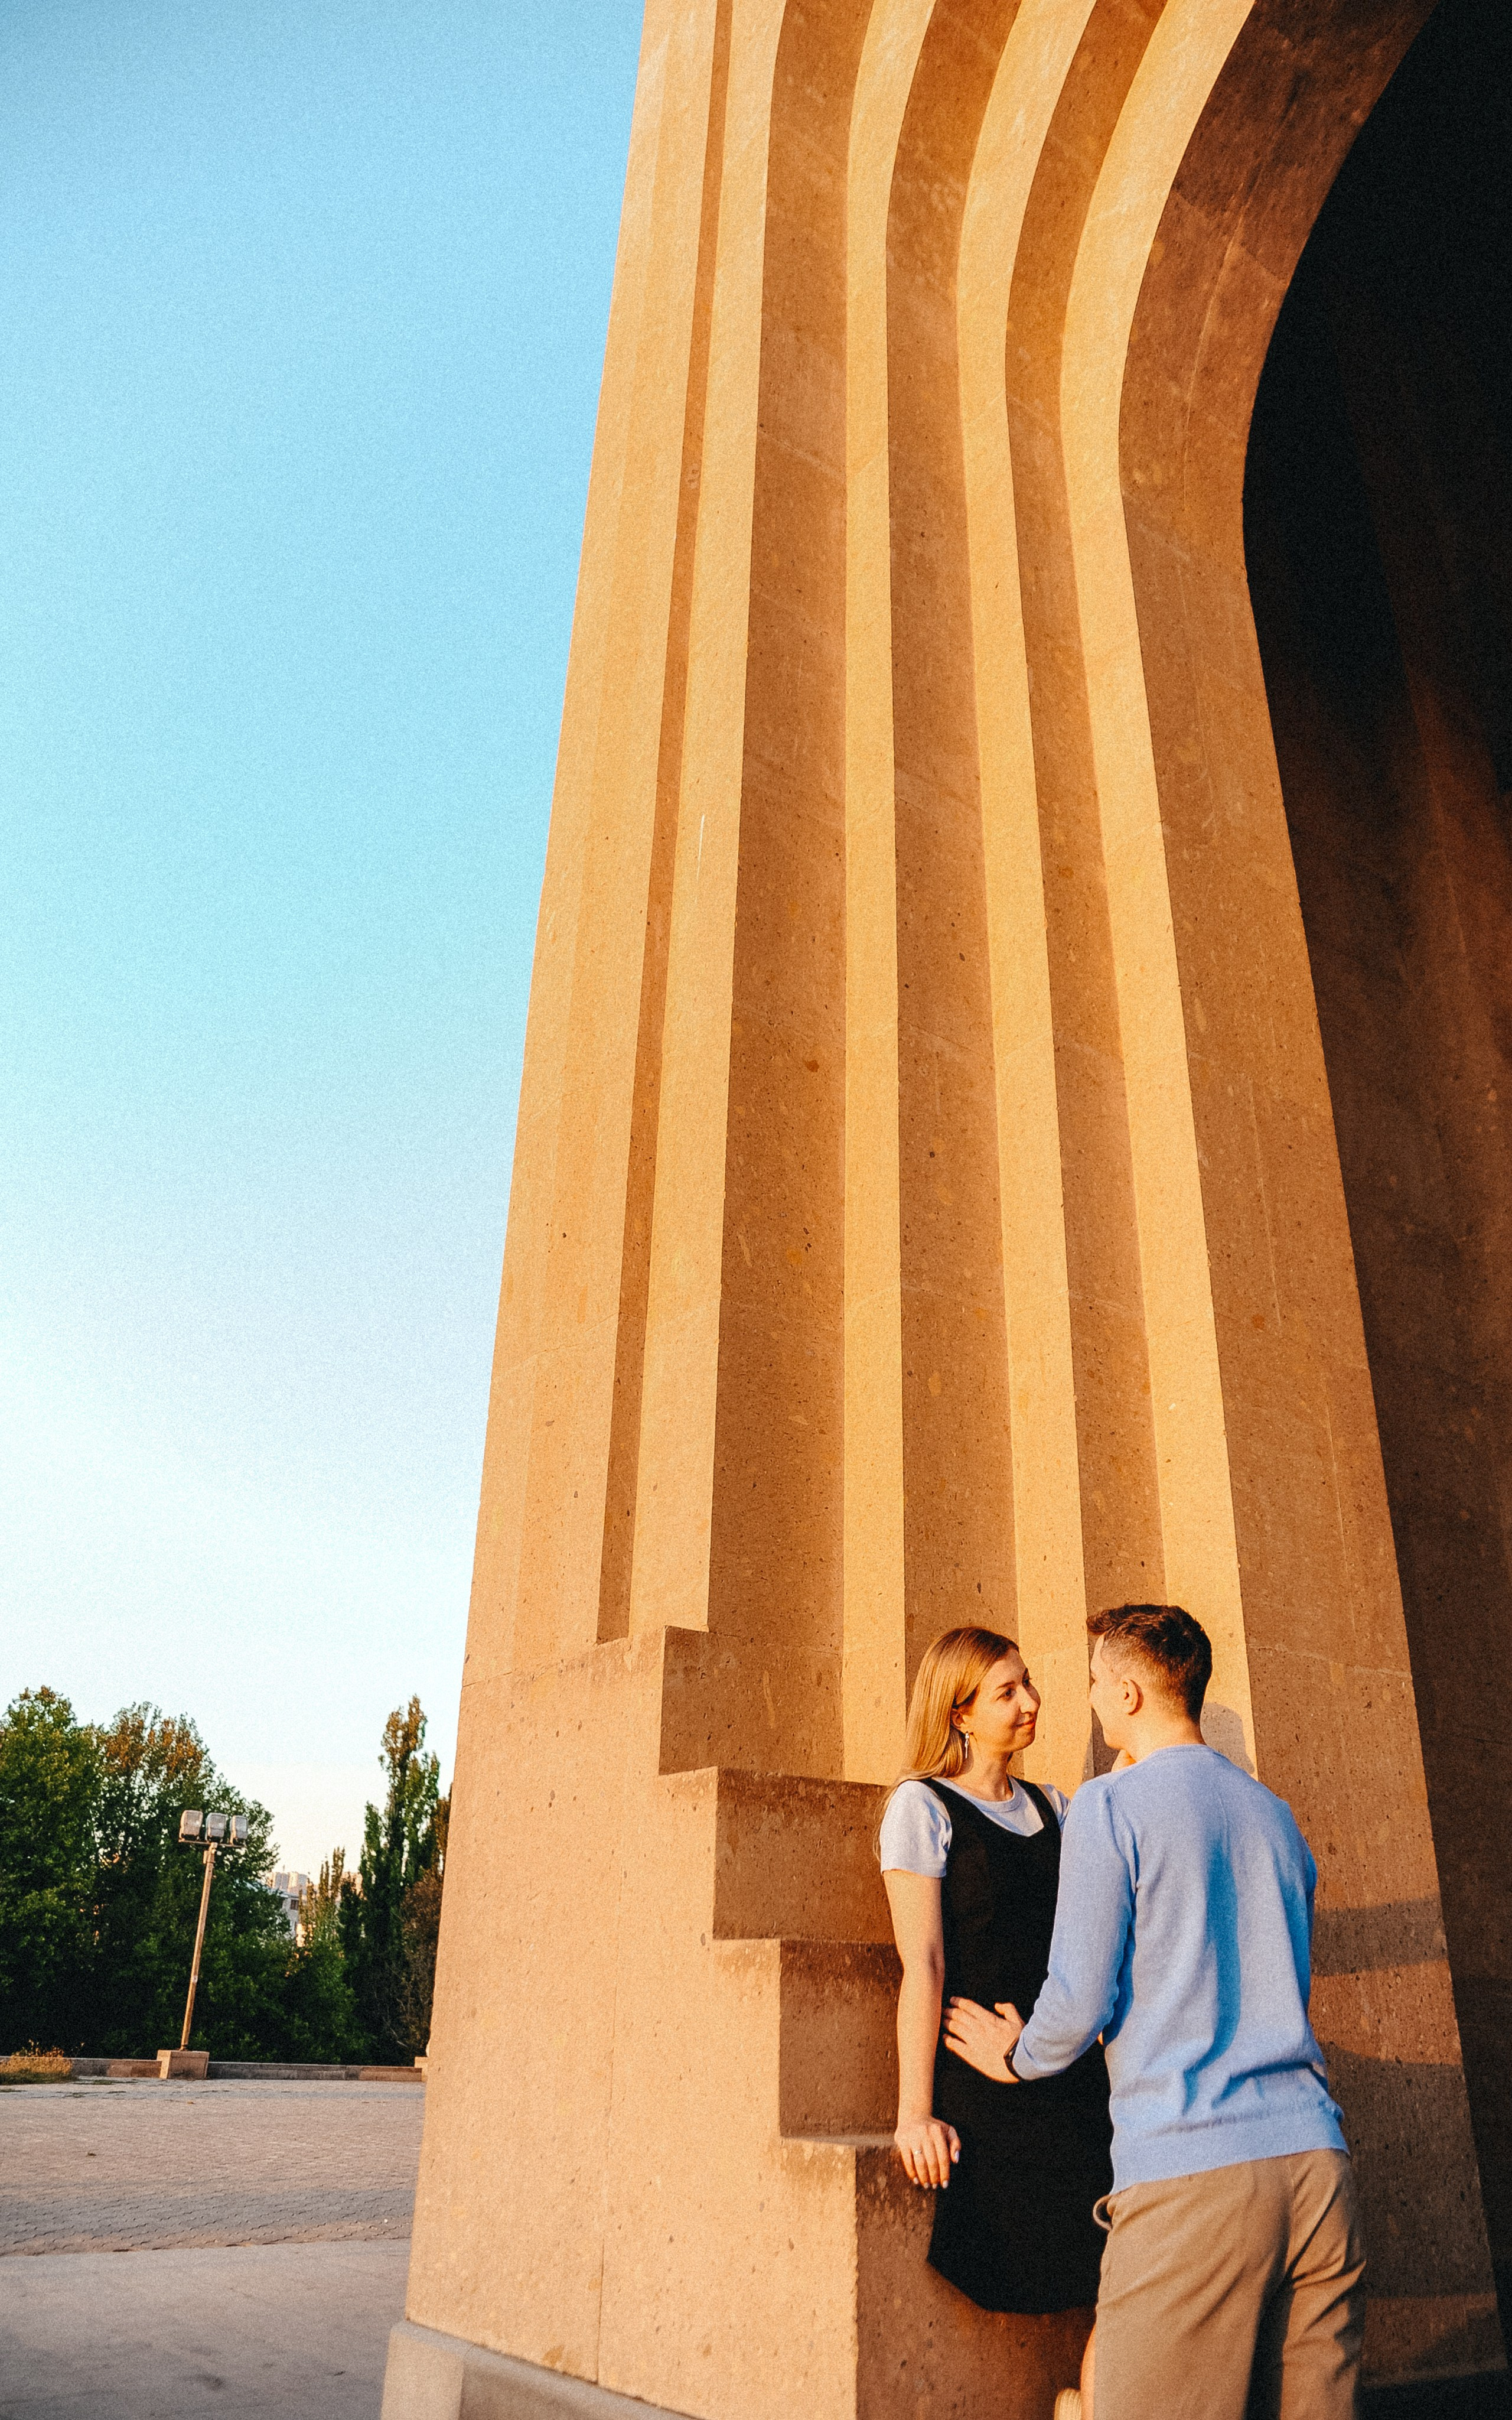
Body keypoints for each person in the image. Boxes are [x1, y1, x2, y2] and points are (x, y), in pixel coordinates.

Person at [964, 1603, 1364, 2420]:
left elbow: (1078, 2001)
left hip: (1193, 2177)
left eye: (1094, 1684)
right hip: (1320, 2173)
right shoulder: (1275, 1816)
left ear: (1131, 1694)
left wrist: (1018, 2054)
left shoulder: (1112, 1807)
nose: (1091, 1701)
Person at [879, 1625, 1112, 2364]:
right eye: (1006, 1691)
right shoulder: (922, 1808)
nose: (1031, 1703)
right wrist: (914, 2113)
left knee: (1122, 2275)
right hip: (983, 2083)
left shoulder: (1060, 1807)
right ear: (959, 1712)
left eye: (1029, 1683)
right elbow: (922, 1962)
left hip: (1065, 2069)